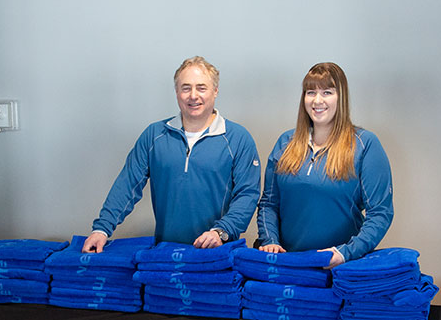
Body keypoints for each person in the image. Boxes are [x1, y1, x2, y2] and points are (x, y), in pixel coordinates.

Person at [83, 56, 261, 253]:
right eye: (186, 88)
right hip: (165, 254)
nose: (193, 95)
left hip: (217, 254)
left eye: (201, 88)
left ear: (215, 91)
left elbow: (247, 194)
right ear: (177, 92)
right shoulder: (154, 135)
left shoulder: (238, 138)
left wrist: (221, 231)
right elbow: (127, 184)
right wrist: (101, 229)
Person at [255, 62, 394, 268]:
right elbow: (269, 204)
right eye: (311, 92)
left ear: (341, 97)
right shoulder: (285, 142)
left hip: (340, 266)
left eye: (327, 92)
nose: (317, 100)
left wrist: (345, 253)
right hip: (289, 263)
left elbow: (380, 213)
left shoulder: (365, 145)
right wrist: (270, 242)